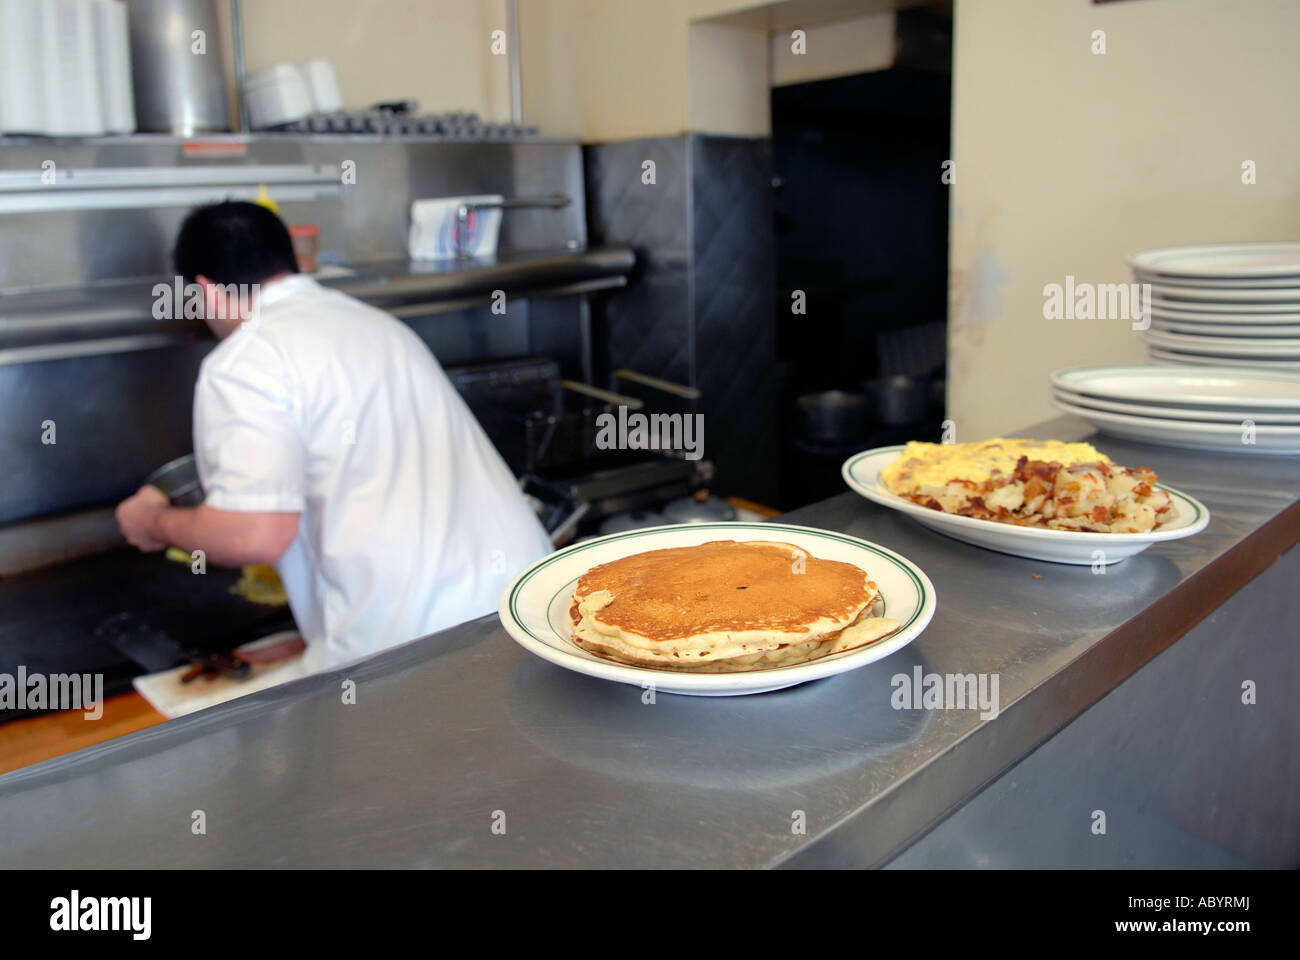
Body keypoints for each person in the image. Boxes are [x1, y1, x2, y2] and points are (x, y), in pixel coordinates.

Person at [115, 201, 552, 673]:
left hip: (416, 644)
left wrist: (154, 522)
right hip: (528, 602)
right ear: (291, 264)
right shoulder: (375, 323)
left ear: (207, 292)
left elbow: (254, 535)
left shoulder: (243, 361)